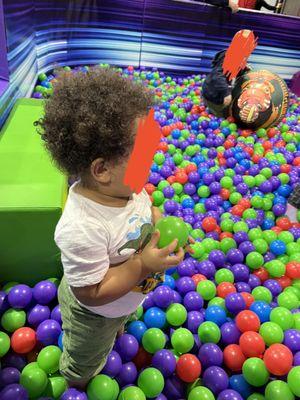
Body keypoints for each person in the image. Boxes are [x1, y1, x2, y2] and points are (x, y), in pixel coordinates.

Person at [35, 68, 185, 389]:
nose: (152, 160)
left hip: (123, 300)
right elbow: (91, 293)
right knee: (82, 366)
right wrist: (143, 264)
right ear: (102, 169)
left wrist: (156, 218)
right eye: (143, 155)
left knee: (118, 317)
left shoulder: (126, 187)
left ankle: (120, 321)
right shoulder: (82, 226)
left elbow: (143, 208)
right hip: (93, 314)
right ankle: (75, 374)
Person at [202, 50, 250, 118]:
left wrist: (243, 69)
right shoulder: (229, 56)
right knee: (224, 117)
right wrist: (226, 93)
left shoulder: (240, 56)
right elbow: (217, 75)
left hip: (214, 90)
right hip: (212, 95)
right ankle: (212, 110)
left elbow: (234, 71)